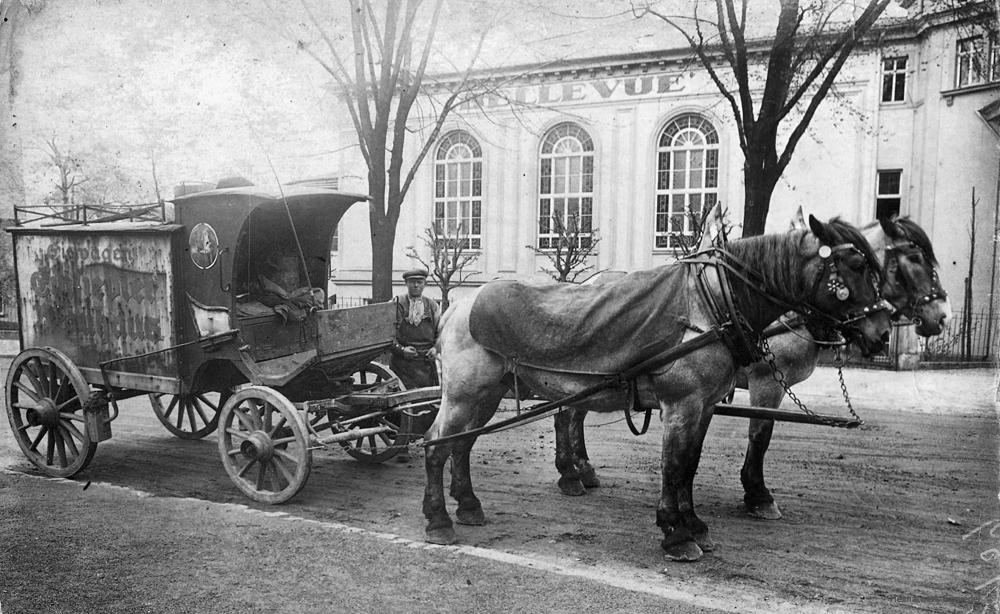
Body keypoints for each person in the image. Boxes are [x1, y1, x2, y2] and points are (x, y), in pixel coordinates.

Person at [389, 268, 441, 462]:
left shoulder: (432, 305)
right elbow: (387, 335)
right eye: (412, 282)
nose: (416, 285)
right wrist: (402, 350)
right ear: (407, 284)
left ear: (425, 284)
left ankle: (427, 441)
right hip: (402, 364)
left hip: (426, 363)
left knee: (427, 403)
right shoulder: (396, 304)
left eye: (419, 282)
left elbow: (440, 332)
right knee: (402, 406)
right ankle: (401, 447)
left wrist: (436, 348)